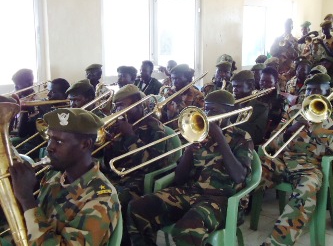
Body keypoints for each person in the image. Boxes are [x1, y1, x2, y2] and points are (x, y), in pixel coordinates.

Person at [127, 90, 254, 246]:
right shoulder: (200, 135)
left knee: (186, 229)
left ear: (229, 112)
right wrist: (188, 150)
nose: (207, 114)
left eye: (214, 110)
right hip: (190, 192)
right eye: (206, 109)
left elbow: (239, 176)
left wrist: (220, 137)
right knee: (138, 207)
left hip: (222, 199)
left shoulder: (241, 138)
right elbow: (179, 178)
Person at [9, 108, 121, 245]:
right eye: (50, 138)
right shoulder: (54, 175)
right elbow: (36, 219)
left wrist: (26, 199)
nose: (50, 147)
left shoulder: (101, 197)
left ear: (85, 144)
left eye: (59, 141)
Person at [259, 73, 333, 246]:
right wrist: (289, 130)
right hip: (282, 161)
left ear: (328, 92)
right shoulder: (294, 111)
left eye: (317, 91)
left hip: (310, 167)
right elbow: (272, 143)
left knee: (305, 192)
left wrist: (320, 125)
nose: (311, 94)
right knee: (252, 174)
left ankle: (276, 243)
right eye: (308, 91)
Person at [103, 84, 169, 245]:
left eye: (122, 106)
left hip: (141, 179)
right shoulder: (120, 126)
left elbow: (150, 165)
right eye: (117, 106)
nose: (119, 111)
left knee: (118, 200)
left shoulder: (155, 128)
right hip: (118, 175)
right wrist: (109, 145)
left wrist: (131, 136)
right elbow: (110, 163)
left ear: (139, 104)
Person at [11, 78, 71, 159]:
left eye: (53, 92)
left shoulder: (67, 114)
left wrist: (46, 112)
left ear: (65, 95)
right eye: (49, 91)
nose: (48, 94)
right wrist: (24, 112)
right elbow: (22, 133)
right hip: (28, 145)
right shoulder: (45, 107)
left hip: (41, 150)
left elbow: (53, 137)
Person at [231, 70, 268, 146]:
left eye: (238, 86)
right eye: (233, 86)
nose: (234, 90)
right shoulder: (231, 105)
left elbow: (256, 136)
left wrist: (231, 126)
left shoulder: (261, 108)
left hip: (245, 147)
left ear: (250, 86)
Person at [161, 64, 204, 130]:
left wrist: (180, 102)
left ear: (188, 79)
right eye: (173, 79)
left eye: (178, 79)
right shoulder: (170, 93)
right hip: (170, 132)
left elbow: (195, 121)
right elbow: (166, 117)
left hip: (187, 134)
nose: (174, 82)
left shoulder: (198, 96)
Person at [257, 67, 285, 138]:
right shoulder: (255, 96)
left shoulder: (281, 100)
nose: (264, 84)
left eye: (268, 82)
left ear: (275, 83)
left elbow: (280, 123)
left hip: (269, 136)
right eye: (262, 81)